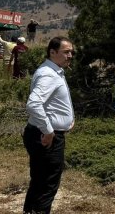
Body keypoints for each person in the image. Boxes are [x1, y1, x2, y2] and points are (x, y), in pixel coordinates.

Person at [23, 37, 75, 214]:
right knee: (47, 184)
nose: (70, 56)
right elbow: (33, 103)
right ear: (52, 52)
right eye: (66, 52)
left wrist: (66, 119)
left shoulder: (53, 71)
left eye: (71, 52)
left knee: (39, 181)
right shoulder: (49, 74)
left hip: (40, 133)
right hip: (45, 137)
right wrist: (49, 131)